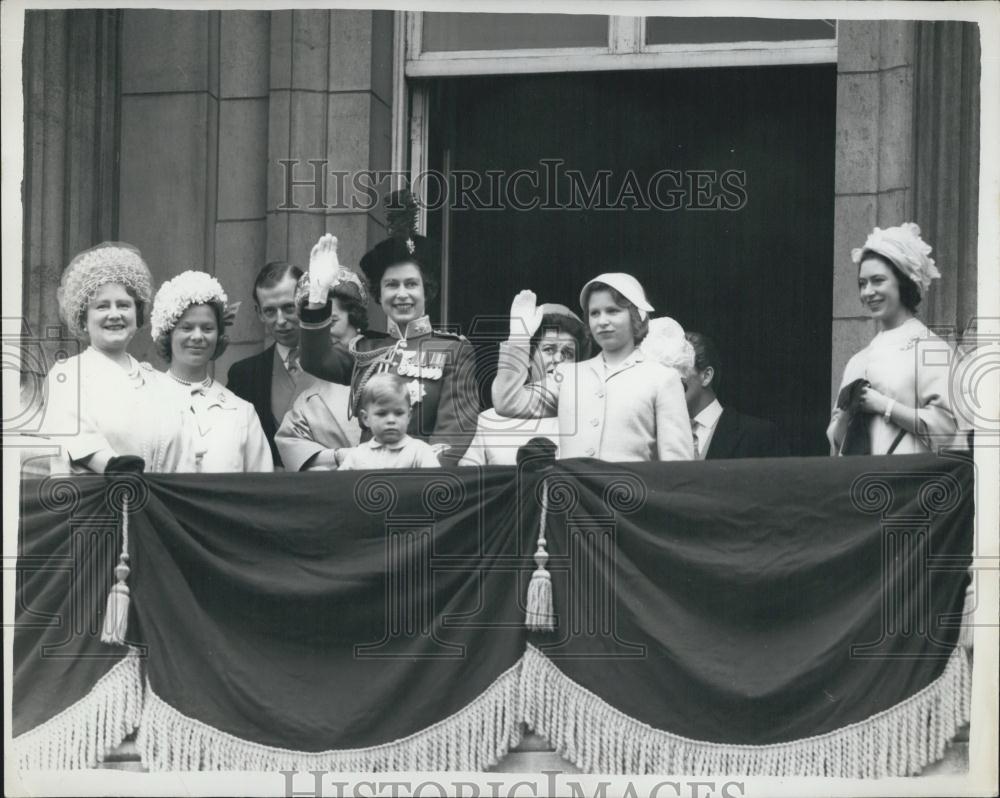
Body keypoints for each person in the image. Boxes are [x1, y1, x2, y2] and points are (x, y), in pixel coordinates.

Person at [299, 193, 480, 464]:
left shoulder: (453, 350)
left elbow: (453, 435)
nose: (402, 293)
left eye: (411, 284)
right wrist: (318, 297)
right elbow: (314, 360)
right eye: (391, 285)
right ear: (379, 295)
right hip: (363, 480)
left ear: (426, 290)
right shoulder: (366, 350)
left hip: (421, 487)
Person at [492, 274, 693, 462]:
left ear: (635, 316)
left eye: (613, 311)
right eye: (594, 313)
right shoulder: (569, 375)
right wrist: (518, 338)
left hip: (632, 497)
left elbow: (677, 466)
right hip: (573, 499)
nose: (602, 321)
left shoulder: (662, 378)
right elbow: (508, 402)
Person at [42, 242, 177, 475]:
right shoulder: (68, 375)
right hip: (98, 503)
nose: (114, 314)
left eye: (123, 305)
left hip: (159, 503)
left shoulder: (159, 382)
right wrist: (116, 469)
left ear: (137, 314)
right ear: (84, 319)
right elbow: (73, 436)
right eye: (102, 306)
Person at [827, 223, 961, 455]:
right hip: (858, 485)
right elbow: (837, 443)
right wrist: (845, 417)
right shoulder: (858, 360)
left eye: (878, 280)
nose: (868, 292)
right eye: (862, 283)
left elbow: (947, 432)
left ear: (903, 282)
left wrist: (884, 406)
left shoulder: (931, 350)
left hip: (910, 483)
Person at [151, 271, 272, 473]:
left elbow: (260, 486)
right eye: (187, 328)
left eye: (207, 328)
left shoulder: (241, 412)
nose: (197, 337)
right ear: (168, 333)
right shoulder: (147, 399)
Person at [461, 303, 588, 466]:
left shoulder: (587, 418)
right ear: (527, 357)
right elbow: (470, 484)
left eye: (568, 353)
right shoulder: (488, 422)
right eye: (549, 349)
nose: (558, 359)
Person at [274, 274, 368, 470]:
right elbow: (290, 442)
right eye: (317, 324)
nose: (322, 333)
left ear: (354, 317)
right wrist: (337, 456)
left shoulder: (382, 364)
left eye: (331, 322)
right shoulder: (308, 387)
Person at [225, 261, 309, 467]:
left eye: (289, 308)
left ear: (306, 302)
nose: (280, 320)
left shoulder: (341, 363)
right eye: (270, 311)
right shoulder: (243, 375)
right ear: (259, 312)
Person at [683, 331, 791, 459]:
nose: (668, 379)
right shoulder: (660, 437)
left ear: (706, 376)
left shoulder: (759, 436)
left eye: (679, 367)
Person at [337, 373, 441, 470]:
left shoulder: (420, 452)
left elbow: (436, 484)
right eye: (382, 414)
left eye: (399, 413)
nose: (391, 420)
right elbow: (340, 485)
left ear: (408, 416)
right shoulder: (357, 455)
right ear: (366, 418)